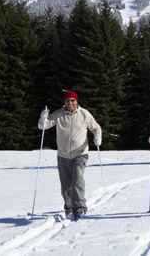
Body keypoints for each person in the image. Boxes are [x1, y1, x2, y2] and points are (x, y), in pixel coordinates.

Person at [38, 90, 102, 220]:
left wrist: (98, 138)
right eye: (68, 100)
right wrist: (43, 118)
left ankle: (80, 208)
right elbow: (43, 127)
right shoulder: (58, 114)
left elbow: (96, 128)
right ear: (64, 102)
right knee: (66, 184)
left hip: (80, 154)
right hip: (63, 155)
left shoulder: (84, 114)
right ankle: (69, 208)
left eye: (72, 100)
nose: (70, 103)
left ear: (76, 101)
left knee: (78, 180)